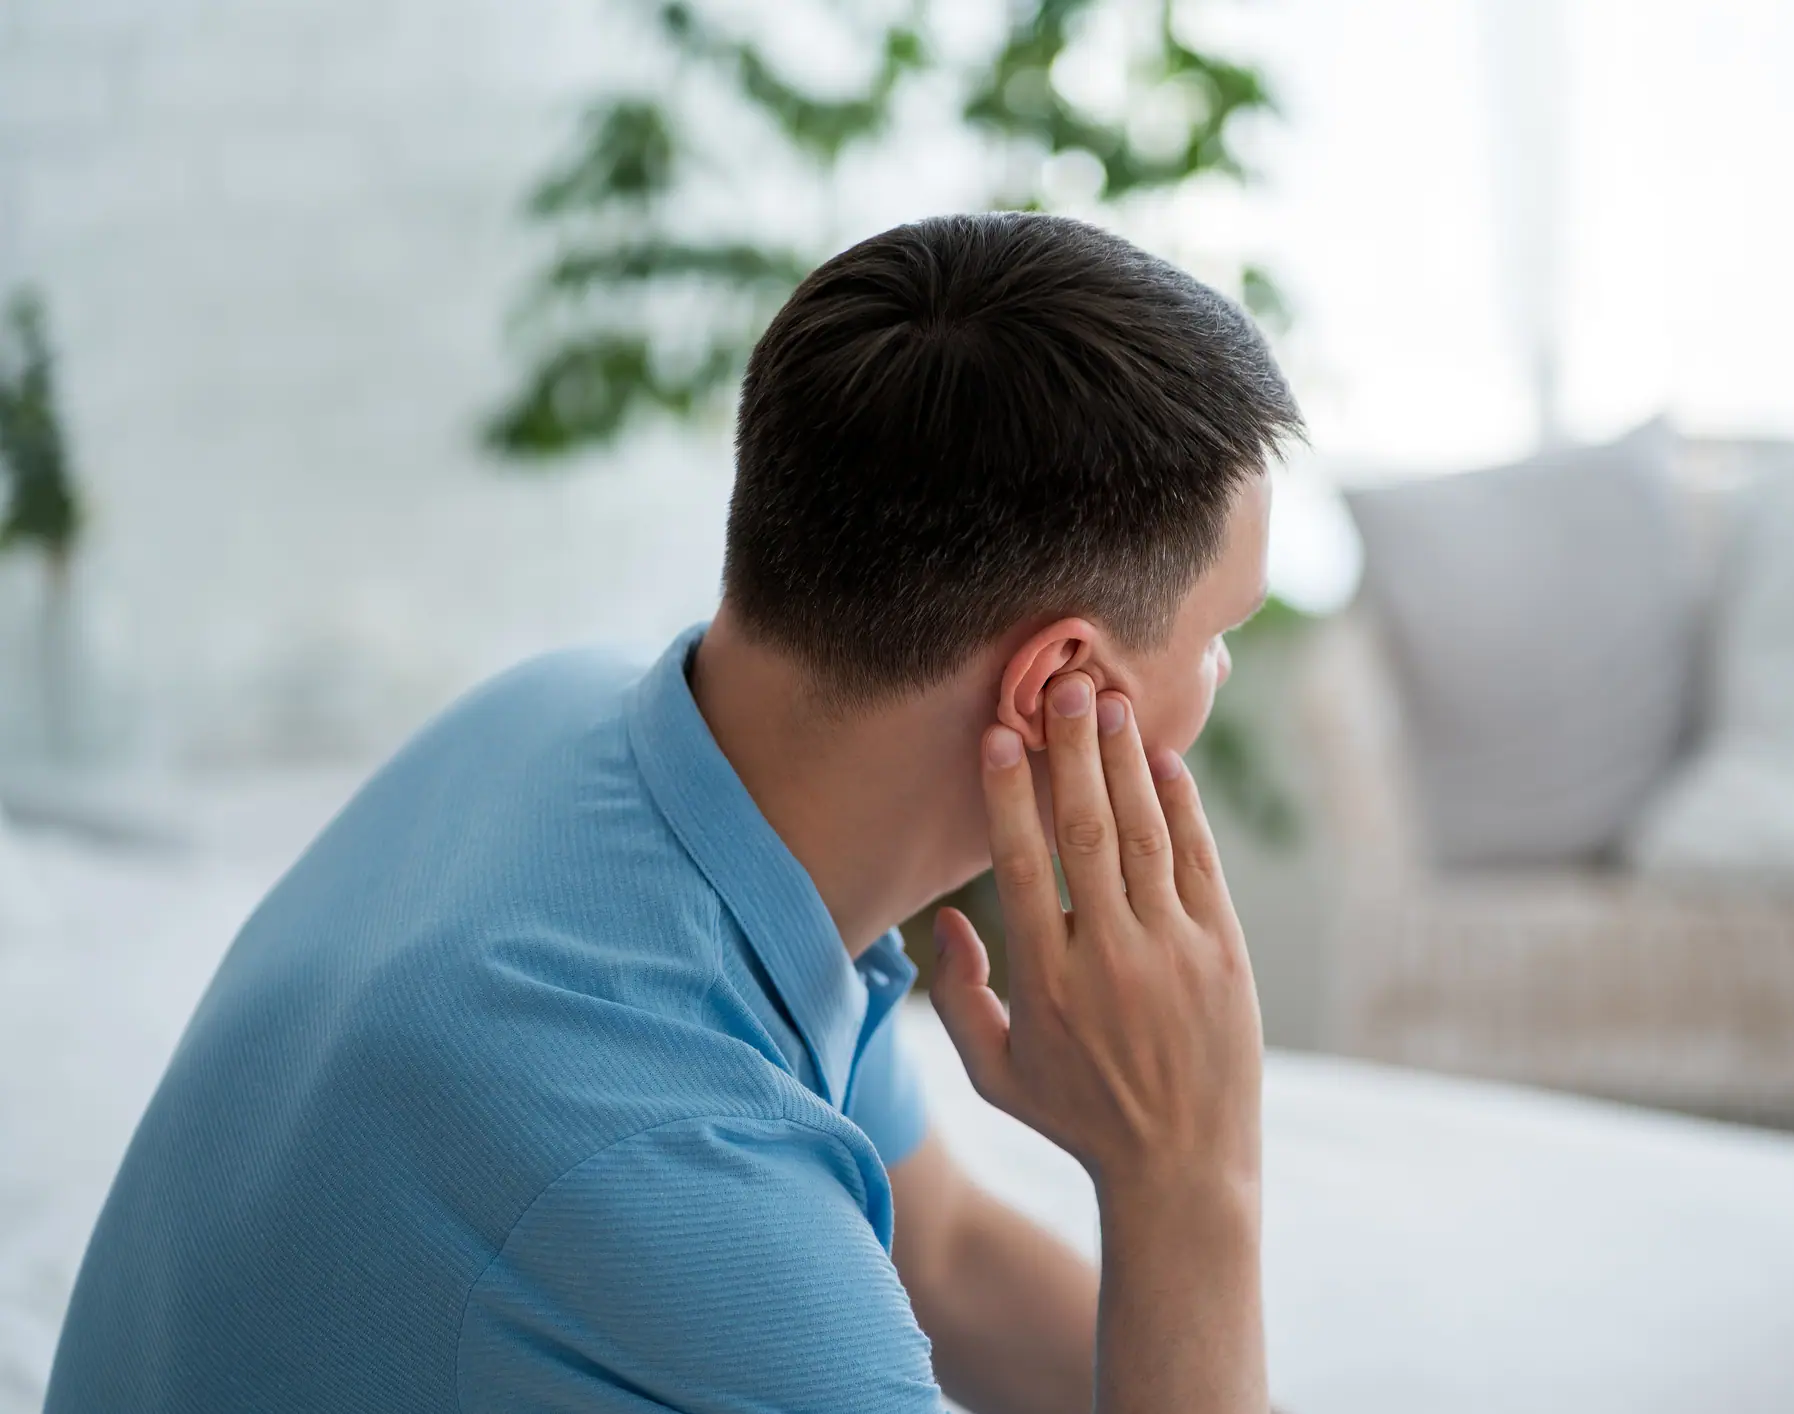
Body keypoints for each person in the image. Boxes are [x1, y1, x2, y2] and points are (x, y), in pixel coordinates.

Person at [45, 211, 1302, 1413]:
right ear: (1059, 688)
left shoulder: (572, 719)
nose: (1225, 672)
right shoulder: (682, 1174)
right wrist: (1188, 1189)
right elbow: (745, 1216)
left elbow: (954, 1258)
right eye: (1218, 634)